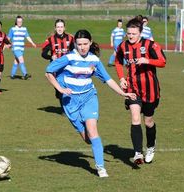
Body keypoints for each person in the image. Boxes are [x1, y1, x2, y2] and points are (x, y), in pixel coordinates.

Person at [45, 29, 136, 178]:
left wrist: (123, 93)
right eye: (79, 44)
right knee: (87, 139)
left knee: (93, 131)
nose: (82, 47)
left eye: (85, 44)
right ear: (75, 44)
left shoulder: (94, 60)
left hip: (89, 97)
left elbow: (108, 79)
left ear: (90, 42)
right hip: (70, 102)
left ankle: (101, 168)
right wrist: (60, 89)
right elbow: (48, 72)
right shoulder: (68, 58)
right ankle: (95, 148)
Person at [115, 17, 166, 165]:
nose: (130, 36)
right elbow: (118, 61)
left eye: (134, 34)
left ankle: (150, 147)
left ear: (140, 33)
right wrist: (121, 77)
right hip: (132, 88)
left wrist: (147, 60)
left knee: (148, 121)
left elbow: (163, 61)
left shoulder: (150, 45)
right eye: (128, 33)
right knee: (135, 118)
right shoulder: (123, 46)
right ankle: (138, 153)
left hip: (150, 90)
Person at [41, 19, 74, 111]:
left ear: (64, 28)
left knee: (69, 86)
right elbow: (43, 53)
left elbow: (75, 51)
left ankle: (66, 108)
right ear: (55, 28)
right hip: (55, 69)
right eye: (58, 27)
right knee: (59, 90)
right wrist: (51, 57)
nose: (60, 29)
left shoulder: (70, 38)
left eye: (61, 27)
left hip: (68, 68)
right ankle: (63, 106)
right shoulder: (51, 39)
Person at [8, 16, 37, 80]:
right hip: (15, 48)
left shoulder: (24, 29)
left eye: (21, 21)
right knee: (21, 60)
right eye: (18, 21)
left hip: (21, 48)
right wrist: (7, 44)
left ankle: (12, 75)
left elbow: (27, 37)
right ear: (16, 22)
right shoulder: (12, 29)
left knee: (16, 61)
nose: (19, 22)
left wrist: (32, 43)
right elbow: (8, 38)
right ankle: (25, 74)